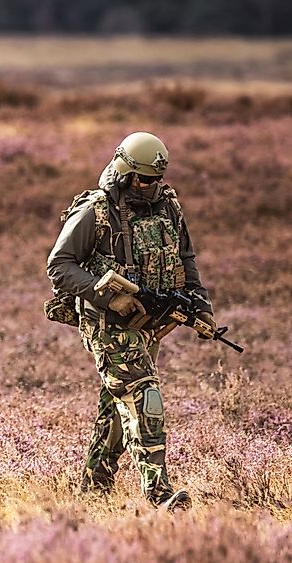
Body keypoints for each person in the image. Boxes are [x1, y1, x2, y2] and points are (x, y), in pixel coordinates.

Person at [47, 132, 216, 511]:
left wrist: (200, 306)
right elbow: (59, 266)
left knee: (116, 400)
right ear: (125, 173)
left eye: (157, 179)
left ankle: (93, 488)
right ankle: (159, 495)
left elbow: (186, 258)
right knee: (143, 395)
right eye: (143, 179)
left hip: (148, 322)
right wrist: (109, 296)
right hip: (106, 320)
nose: (151, 187)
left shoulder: (168, 208)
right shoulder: (95, 209)